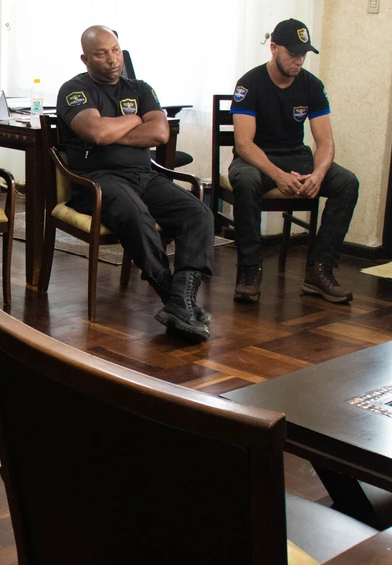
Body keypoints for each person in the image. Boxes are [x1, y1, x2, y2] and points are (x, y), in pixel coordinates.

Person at [56, 26, 216, 341]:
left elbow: (160, 133)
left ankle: (181, 299)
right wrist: (134, 119)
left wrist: (112, 129)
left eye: (116, 50)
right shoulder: (75, 89)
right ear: (85, 59)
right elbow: (96, 133)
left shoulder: (139, 88)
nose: (113, 59)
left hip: (144, 175)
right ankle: (174, 298)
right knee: (136, 214)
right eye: (102, 54)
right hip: (96, 181)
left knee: (199, 214)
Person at [228, 18, 359, 305]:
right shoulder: (250, 84)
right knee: (246, 181)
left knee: (347, 182)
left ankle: (319, 270)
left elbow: (325, 142)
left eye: (303, 54)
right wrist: (277, 175)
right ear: (274, 48)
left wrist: (319, 174)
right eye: (293, 53)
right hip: (256, 159)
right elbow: (244, 144)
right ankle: (250, 270)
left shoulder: (312, 86)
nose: (299, 60)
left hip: (296, 157)